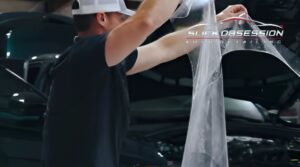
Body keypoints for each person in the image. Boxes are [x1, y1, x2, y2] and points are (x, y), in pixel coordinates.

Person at [41, 0, 247, 166]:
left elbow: (165, 47)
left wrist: (217, 22)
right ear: (101, 17)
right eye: (121, 18)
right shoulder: (86, 56)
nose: (125, 24)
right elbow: (146, 21)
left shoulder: (103, 62)